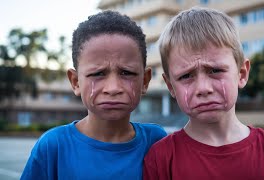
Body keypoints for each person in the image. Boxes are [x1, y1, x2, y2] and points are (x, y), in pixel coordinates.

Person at [143, 7, 264, 180]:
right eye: (186, 76)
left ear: (241, 73)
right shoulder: (161, 159)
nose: (203, 88)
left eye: (215, 70)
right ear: (170, 86)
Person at [21, 10, 167, 180]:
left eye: (126, 73)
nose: (113, 88)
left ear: (145, 81)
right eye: (98, 74)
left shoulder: (156, 141)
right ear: (75, 81)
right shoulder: (53, 146)